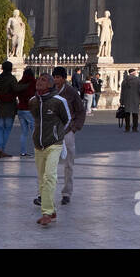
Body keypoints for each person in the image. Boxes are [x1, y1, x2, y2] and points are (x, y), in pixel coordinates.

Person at [41, 66, 89, 207]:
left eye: (58, 77)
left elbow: (81, 111)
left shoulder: (71, 92)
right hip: (52, 132)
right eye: (54, 77)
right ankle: (45, 192)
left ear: (63, 78)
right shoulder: (50, 92)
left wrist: (75, 128)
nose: (55, 80)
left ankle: (67, 192)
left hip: (67, 132)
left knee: (68, 164)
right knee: (48, 164)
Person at [28, 72, 71, 227]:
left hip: (54, 144)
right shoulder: (33, 101)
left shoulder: (59, 101)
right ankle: (51, 209)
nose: (39, 81)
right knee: (41, 179)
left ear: (51, 85)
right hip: (38, 145)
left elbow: (67, 120)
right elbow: (35, 118)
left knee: (49, 177)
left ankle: (46, 213)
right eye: (39, 78)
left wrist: (57, 134)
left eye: (44, 79)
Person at [0, 60, 21, 159]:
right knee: (7, 130)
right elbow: (16, 90)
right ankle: (2, 149)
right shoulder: (12, 79)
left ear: (2, 68)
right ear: (11, 69)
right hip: (10, 108)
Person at [14, 67, 37, 158]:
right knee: (34, 131)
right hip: (29, 109)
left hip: (20, 109)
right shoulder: (33, 83)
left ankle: (23, 151)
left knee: (24, 132)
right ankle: (37, 151)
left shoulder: (20, 83)